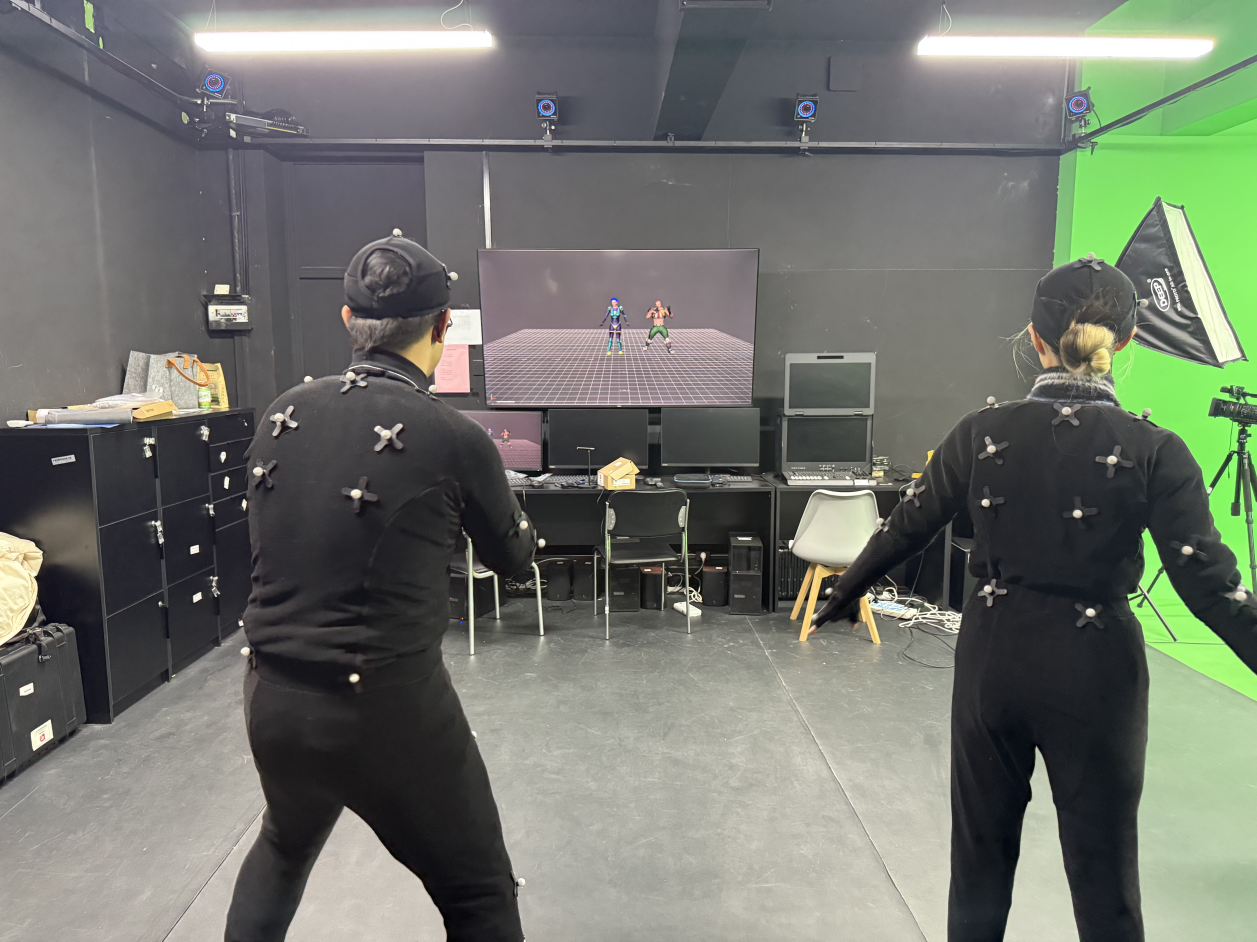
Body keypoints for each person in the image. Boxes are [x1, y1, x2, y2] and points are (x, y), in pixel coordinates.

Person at [810, 254, 1257, 942]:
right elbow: (1210, 588)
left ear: (1033, 336)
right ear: (1127, 340)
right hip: (1098, 672)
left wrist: (844, 591)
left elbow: (907, 523)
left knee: (978, 870)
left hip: (994, 659)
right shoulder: (1155, 450)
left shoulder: (980, 432)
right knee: (1105, 881)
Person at [225, 231, 537, 942]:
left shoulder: (280, 413)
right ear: (443, 327)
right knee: (479, 895)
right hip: (388, 708)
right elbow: (514, 561)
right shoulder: (453, 435)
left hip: (273, 696)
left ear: (348, 319)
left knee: (283, 847)